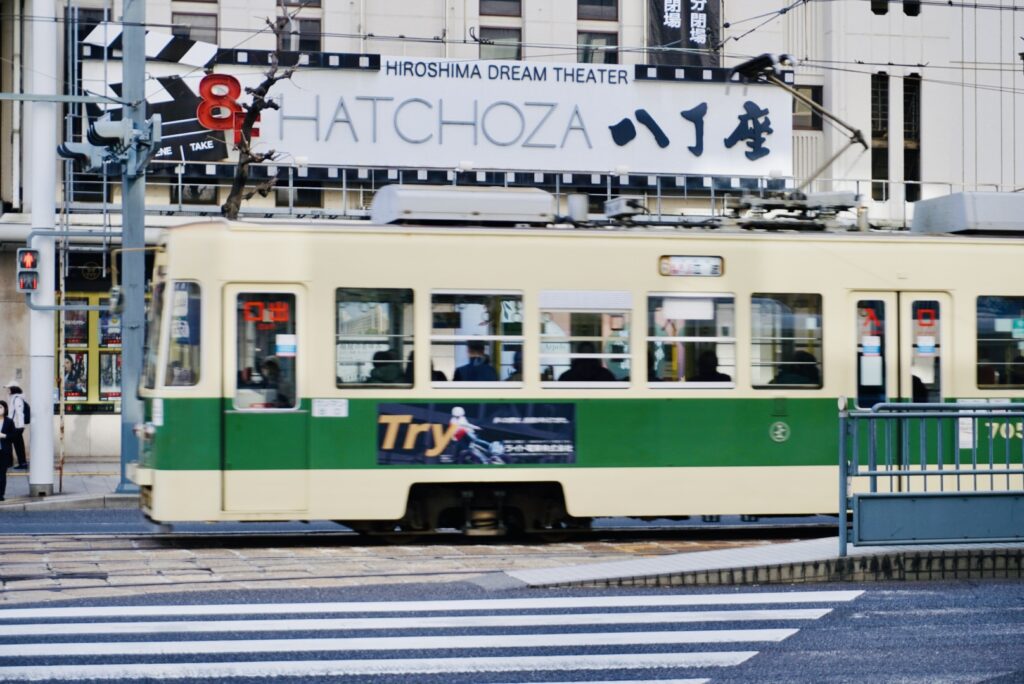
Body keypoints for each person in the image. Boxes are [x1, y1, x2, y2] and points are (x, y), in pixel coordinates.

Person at [6, 384, 28, 470]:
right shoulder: (13, 398)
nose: (8, 390)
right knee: (17, 445)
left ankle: (21, 463)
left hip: (16, 427)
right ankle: (19, 462)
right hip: (14, 426)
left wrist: (20, 426)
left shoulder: (17, 399)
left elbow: (19, 413)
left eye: (9, 389)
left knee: (18, 445)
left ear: (13, 389)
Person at [0, 400, 14, 501]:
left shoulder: (9, 421)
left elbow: (14, 436)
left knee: (2, 474)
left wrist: (4, 435)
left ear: (5, 409)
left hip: (4, 451)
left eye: (0, 407)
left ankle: (1, 494)